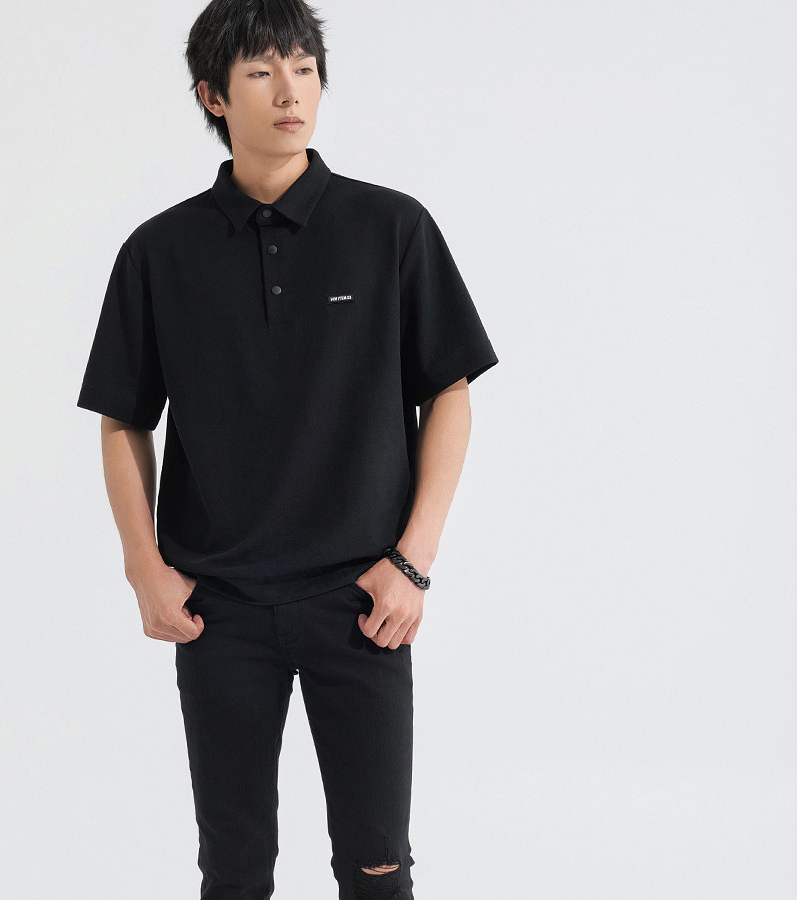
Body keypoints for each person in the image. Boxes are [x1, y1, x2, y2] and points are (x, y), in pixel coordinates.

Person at [76, 1, 498, 896]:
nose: (289, 92)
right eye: (262, 72)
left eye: (303, 68)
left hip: (363, 599)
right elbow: (122, 418)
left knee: (378, 868)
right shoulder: (160, 251)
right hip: (218, 607)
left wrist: (412, 564)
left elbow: (450, 392)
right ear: (213, 96)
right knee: (233, 873)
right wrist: (144, 567)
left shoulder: (391, 227)